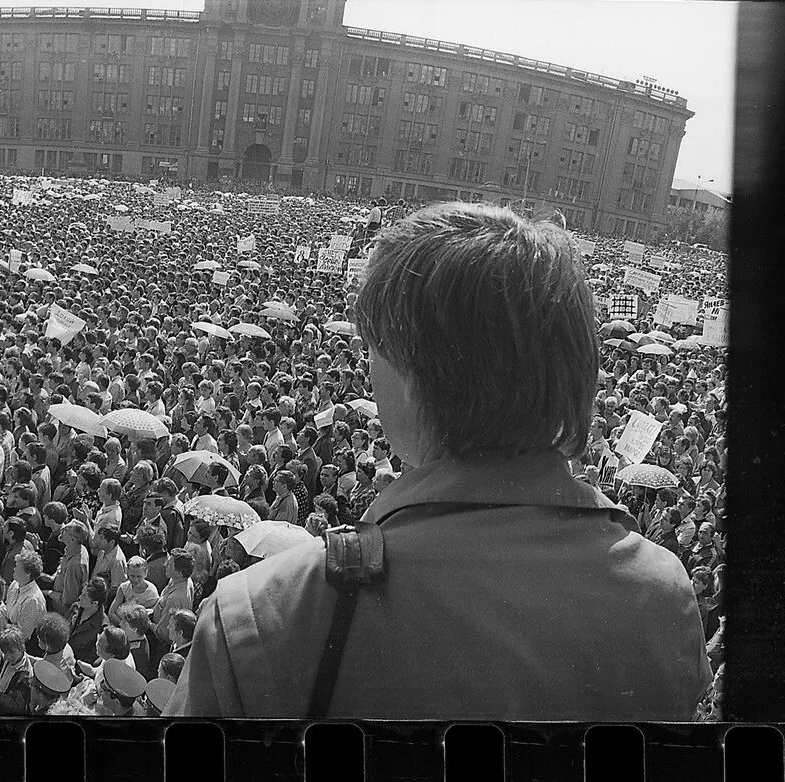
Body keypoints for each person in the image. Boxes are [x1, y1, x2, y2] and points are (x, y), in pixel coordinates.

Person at [165, 202, 711, 721]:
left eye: (373, 347)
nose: (367, 365)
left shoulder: (268, 615)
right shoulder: (663, 597)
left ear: (413, 373)